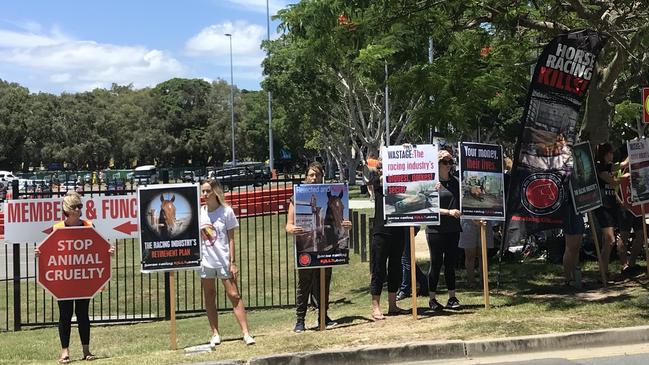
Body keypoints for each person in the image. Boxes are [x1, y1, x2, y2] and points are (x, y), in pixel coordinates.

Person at [35, 191, 113, 364]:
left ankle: (86, 350)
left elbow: (96, 248)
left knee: (83, 313)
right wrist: (40, 253)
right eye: (75, 207)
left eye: (80, 206)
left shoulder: (88, 225)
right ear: (67, 210)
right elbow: (51, 251)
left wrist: (107, 253)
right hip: (63, 280)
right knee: (65, 314)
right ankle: (65, 352)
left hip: (83, 280)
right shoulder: (57, 228)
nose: (79, 210)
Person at [285, 162, 352, 332]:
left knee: (324, 280)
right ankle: (300, 319)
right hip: (306, 248)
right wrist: (292, 228)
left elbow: (341, 220)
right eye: (311, 175)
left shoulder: (331, 198)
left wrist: (347, 225)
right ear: (306, 177)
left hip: (327, 248)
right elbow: (288, 225)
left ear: (322, 177)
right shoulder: (296, 197)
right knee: (305, 282)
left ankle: (324, 316)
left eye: (317, 175)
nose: (314, 178)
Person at [199, 179, 255, 347]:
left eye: (208, 191)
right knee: (209, 295)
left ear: (215, 192)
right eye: (203, 191)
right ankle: (215, 333)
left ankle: (246, 333)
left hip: (223, 260)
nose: (205, 194)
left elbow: (231, 239)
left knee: (234, 295)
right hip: (205, 261)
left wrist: (233, 262)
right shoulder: (200, 212)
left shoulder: (226, 211)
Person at [369, 159, 408, 320]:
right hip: (381, 230)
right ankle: (376, 307)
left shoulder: (403, 184)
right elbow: (371, 184)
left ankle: (392, 305)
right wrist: (383, 174)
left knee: (395, 267)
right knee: (379, 268)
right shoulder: (379, 182)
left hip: (398, 229)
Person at [427, 149, 462, 311]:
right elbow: (427, 206)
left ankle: (452, 297)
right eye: (445, 162)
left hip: (453, 229)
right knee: (436, 263)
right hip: (436, 229)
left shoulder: (455, 182)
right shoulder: (432, 183)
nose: (449, 165)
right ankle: (432, 298)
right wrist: (448, 212)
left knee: (450, 264)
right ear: (438, 164)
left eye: (450, 162)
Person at [592, 143, 627, 281]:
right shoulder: (600, 167)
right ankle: (603, 272)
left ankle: (604, 271)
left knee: (607, 241)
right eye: (611, 153)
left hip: (611, 205)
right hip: (602, 207)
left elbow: (623, 165)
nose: (612, 155)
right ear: (605, 154)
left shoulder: (609, 166)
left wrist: (635, 149)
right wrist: (625, 177)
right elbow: (612, 182)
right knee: (610, 240)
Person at [396, 230, 429, 301]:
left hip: (406, 227)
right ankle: (424, 283)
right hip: (396, 227)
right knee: (406, 260)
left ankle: (405, 290)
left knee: (405, 259)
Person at [459, 219, 493, 288]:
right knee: (470, 255)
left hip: (485, 221)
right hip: (468, 222)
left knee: (483, 255)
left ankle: (484, 282)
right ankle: (471, 282)